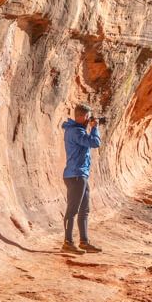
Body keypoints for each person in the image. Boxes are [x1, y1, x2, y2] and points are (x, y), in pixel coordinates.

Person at [61, 103, 102, 254]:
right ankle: (68, 242)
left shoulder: (77, 130)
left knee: (84, 209)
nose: (88, 120)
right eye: (87, 117)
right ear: (81, 116)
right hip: (76, 175)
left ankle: (84, 242)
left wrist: (91, 127)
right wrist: (95, 128)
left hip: (80, 174)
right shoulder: (76, 131)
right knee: (72, 210)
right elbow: (94, 143)